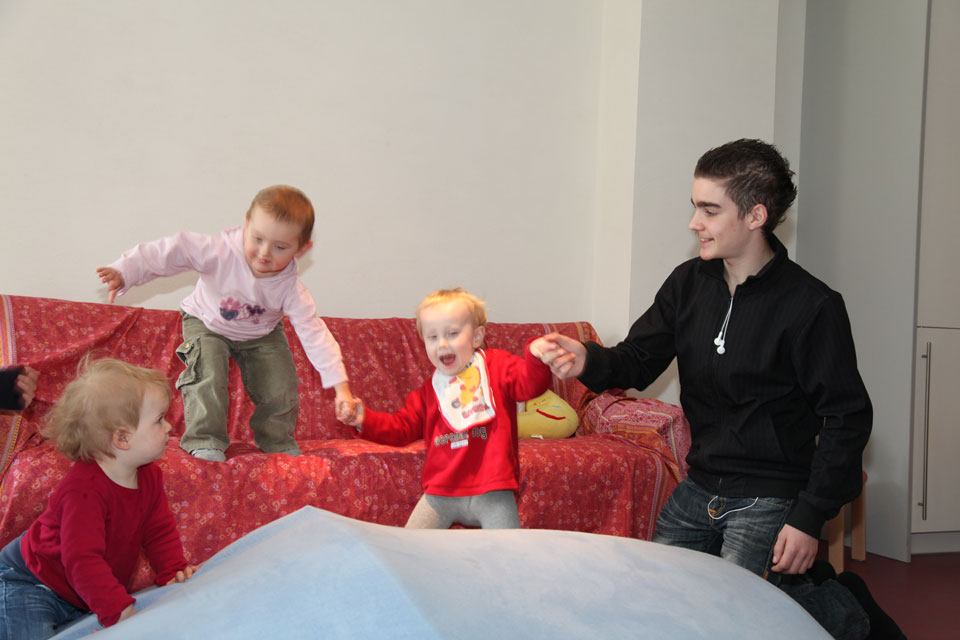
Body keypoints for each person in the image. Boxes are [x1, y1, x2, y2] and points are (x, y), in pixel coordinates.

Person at [539, 139, 902, 639]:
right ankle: (813, 595)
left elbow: (847, 417)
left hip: (770, 494)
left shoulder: (812, 305)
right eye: (695, 207)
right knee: (660, 603)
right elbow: (639, 358)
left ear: (755, 215)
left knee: (738, 624)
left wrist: (808, 517)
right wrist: (588, 358)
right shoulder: (688, 284)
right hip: (701, 484)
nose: (695, 223)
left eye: (710, 210)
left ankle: (843, 612)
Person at [97, 185, 356, 462]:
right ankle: (205, 439)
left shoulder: (291, 289)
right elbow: (174, 250)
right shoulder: (220, 252)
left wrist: (341, 388)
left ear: (302, 249)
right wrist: (125, 271)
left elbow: (314, 334)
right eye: (257, 238)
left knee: (281, 384)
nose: (264, 253)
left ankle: (277, 439)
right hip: (206, 322)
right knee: (208, 369)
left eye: (280, 247)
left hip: (262, 333)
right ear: (246, 224)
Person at [0, 358, 197, 639]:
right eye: (158, 420)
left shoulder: (149, 475)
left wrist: (172, 571)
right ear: (122, 439)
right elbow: (82, 560)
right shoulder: (82, 491)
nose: (168, 427)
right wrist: (118, 611)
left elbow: (159, 531)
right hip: (27, 581)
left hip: (73, 590)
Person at [338, 288, 552, 529]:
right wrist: (364, 420)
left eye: (452, 333)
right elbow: (401, 428)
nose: (442, 343)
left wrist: (536, 356)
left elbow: (530, 385)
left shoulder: (498, 366)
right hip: (441, 494)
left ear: (477, 337)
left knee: (507, 550)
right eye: (432, 337)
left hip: (493, 490)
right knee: (409, 544)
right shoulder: (429, 392)